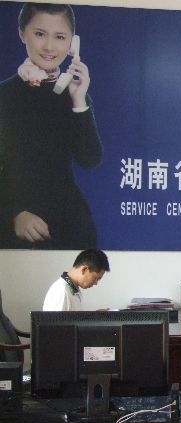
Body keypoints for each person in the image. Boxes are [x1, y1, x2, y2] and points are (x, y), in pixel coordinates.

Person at [0, 3, 103, 249]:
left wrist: (79, 100)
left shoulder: (74, 93)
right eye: (39, 34)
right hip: (19, 230)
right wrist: (14, 213)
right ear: (22, 33)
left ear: (72, 43)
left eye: (59, 37)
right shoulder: (5, 95)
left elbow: (90, 159)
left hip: (71, 226)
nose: (49, 47)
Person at [43, 248, 109, 311]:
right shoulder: (62, 292)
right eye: (95, 278)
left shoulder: (72, 289)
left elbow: (73, 318)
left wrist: (95, 315)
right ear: (84, 269)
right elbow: (55, 319)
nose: (95, 283)